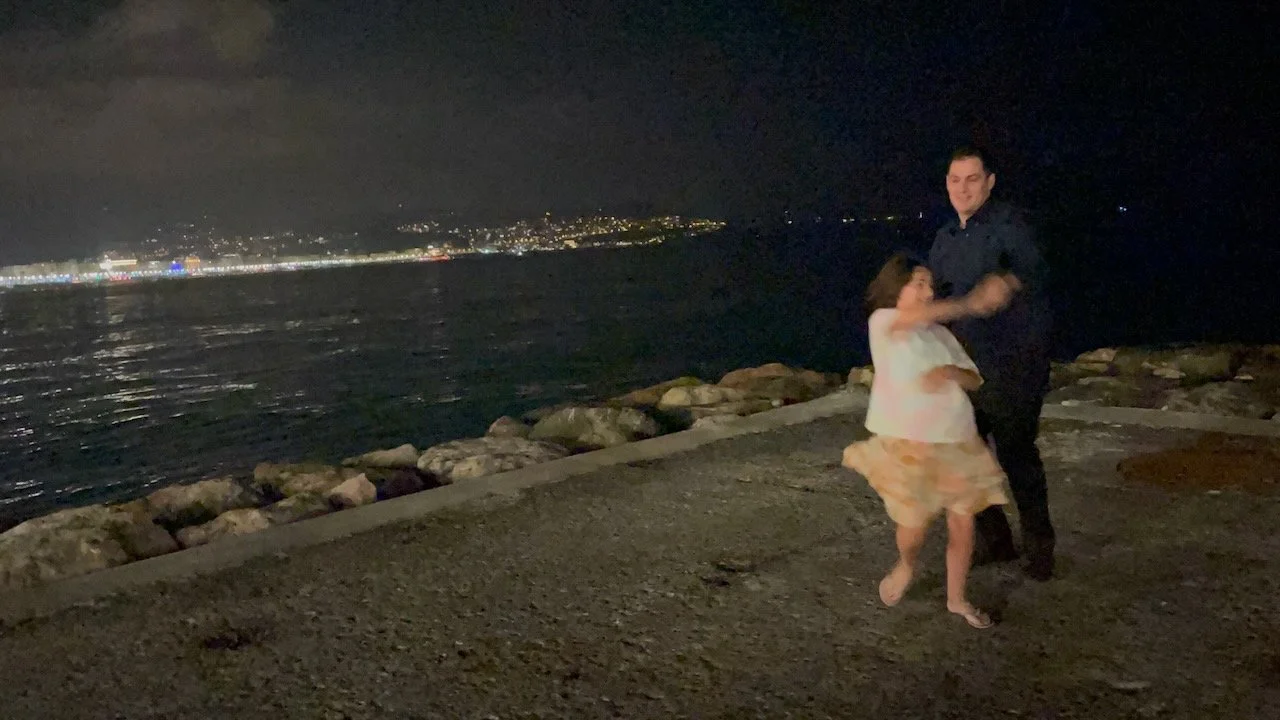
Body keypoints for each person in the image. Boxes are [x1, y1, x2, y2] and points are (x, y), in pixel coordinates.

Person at [842, 253, 1017, 629]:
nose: (927, 291)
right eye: (918, 283)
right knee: (914, 525)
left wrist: (949, 371)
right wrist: (971, 303)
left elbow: (974, 379)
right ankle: (906, 565)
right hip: (911, 443)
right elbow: (919, 316)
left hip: (959, 440)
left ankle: (957, 598)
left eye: (930, 285)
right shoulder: (884, 321)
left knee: (963, 523)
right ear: (896, 287)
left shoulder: (940, 335)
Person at [929, 145, 1056, 581]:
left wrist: (1007, 281)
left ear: (989, 182)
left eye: (972, 179)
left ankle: (1040, 550)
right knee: (962, 457)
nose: (962, 188)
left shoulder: (1010, 226)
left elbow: (1035, 267)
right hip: (965, 371)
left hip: (1013, 366)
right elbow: (941, 299)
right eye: (955, 180)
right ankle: (997, 540)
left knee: (1018, 457)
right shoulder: (945, 238)